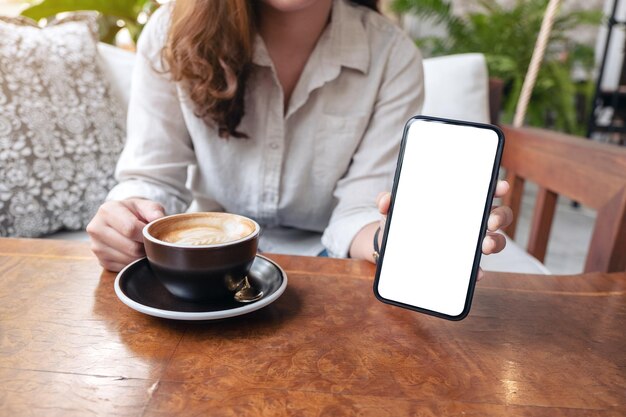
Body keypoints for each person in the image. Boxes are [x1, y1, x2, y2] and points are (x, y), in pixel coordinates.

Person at [87, 0, 512, 272]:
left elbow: (360, 212)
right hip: (208, 259)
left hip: (329, 264)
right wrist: (125, 217)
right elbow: (154, 178)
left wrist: (398, 242)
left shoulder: (391, 56)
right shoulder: (169, 33)